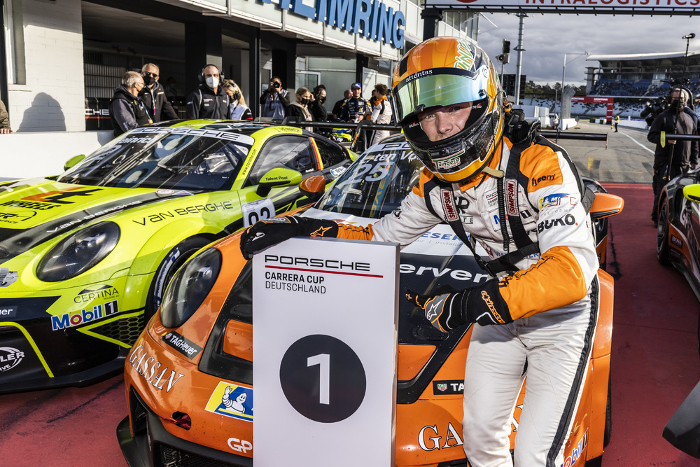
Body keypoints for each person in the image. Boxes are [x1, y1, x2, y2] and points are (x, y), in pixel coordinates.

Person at [240, 37, 599, 467]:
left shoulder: (540, 162)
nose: (441, 126)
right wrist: (307, 228)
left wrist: (472, 302)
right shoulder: (433, 187)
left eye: (454, 105)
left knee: (536, 456)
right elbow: (379, 238)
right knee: (482, 440)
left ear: (485, 101)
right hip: (497, 311)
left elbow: (572, 269)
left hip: (561, 317)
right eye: (426, 112)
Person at [648, 87, 699, 226]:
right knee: (662, 191)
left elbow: (695, 140)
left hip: (684, 164)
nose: (679, 101)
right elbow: (652, 136)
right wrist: (666, 139)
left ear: (686, 100)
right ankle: (657, 218)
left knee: (681, 194)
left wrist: (694, 160)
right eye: (676, 99)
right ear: (671, 99)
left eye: (681, 99)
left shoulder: (689, 118)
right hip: (666, 162)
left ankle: (676, 219)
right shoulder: (662, 117)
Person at [109, 71, 152, 137]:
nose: (144, 86)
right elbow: (129, 127)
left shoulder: (136, 99)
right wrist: (148, 134)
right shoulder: (120, 100)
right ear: (136, 85)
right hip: (131, 143)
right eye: (142, 84)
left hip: (144, 140)